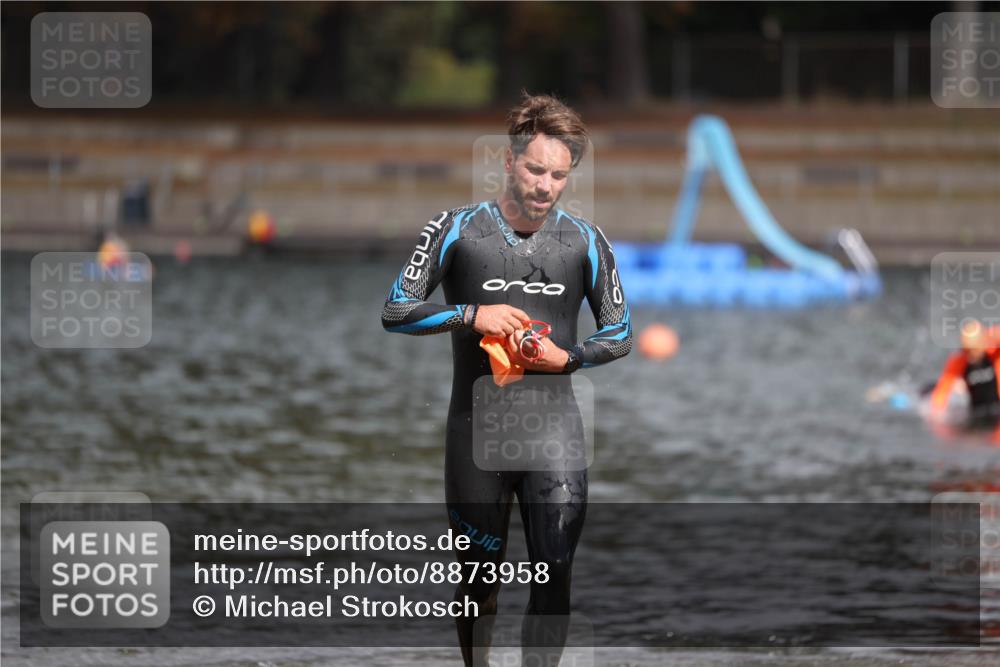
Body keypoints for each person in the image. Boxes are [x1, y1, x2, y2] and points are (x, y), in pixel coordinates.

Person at [381, 93, 632, 666]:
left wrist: (566, 359)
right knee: (477, 585)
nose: (545, 186)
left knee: (556, 575)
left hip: (556, 437)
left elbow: (619, 334)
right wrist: (474, 314)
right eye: (535, 169)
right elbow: (395, 310)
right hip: (476, 436)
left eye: (559, 175)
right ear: (508, 162)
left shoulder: (587, 242)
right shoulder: (456, 229)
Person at [929, 320, 1000, 438]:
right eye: (967, 349)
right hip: (976, 413)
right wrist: (937, 420)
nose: (972, 354)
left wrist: (987, 335)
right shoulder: (959, 361)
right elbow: (942, 392)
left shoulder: (995, 354)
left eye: (975, 348)